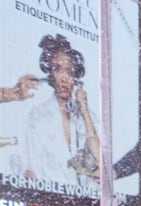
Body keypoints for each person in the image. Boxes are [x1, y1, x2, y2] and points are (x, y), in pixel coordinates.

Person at [23, 34, 100, 188]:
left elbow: (99, 162)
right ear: (50, 74)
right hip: (49, 200)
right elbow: (31, 168)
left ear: (76, 77)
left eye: (70, 72)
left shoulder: (88, 117)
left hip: (87, 203)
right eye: (58, 69)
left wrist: (84, 110)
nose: (64, 78)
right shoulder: (37, 116)